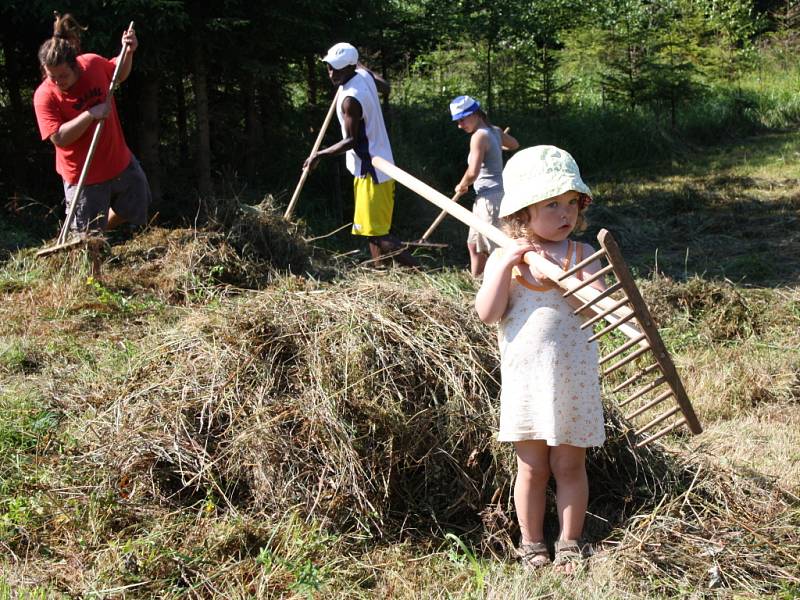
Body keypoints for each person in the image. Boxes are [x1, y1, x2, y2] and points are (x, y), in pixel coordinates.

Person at [474, 145, 605, 572]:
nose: (565, 213)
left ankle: (569, 541)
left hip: (574, 381)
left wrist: (569, 279)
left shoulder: (582, 256)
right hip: (527, 382)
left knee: (570, 463)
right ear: (522, 214)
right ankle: (532, 543)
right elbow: (488, 314)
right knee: (531, 467)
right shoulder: (506, 259)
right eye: (551, 204)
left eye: (571, 203)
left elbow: (599, 309)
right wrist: (502, 266)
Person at [33, 13, 151, 271]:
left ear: (75, 66)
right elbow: (59, 138)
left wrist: (128, 52)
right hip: (83, 176)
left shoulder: (93, 65)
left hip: (118, 160)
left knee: (137, 202)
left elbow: (118, 74)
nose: (57, 82)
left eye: (62, 76)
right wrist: (90, 114)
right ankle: (92, 285)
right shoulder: (44, 96)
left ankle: (92, 232)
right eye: (51, 76)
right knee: (88, 252)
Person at [303, 42, 416, 267]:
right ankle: (379, 273)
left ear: (349, 67)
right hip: (373, 165)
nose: (331, 73)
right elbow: (386, 86)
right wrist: (362, 67)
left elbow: (351, 141)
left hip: (373, 169)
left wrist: (319, 154)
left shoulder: (351, 99)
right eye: (329, 67)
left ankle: (419, 272)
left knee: (378, 233)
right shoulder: (363, 75)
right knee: (370, 228)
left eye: (337, 68)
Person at [450, 95, 519, 277]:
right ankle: (476, 281)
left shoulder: (479, 137)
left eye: (462, 119)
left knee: (497, 247)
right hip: (486, 198)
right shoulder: (494, 131)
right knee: (474, 244)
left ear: (474, 114)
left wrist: (462, 184)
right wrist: (498, 147)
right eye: (457, 121)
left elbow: (472, 173)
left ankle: (509, 286)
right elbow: (514, 144)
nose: (459, 125)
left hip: (491, 199)